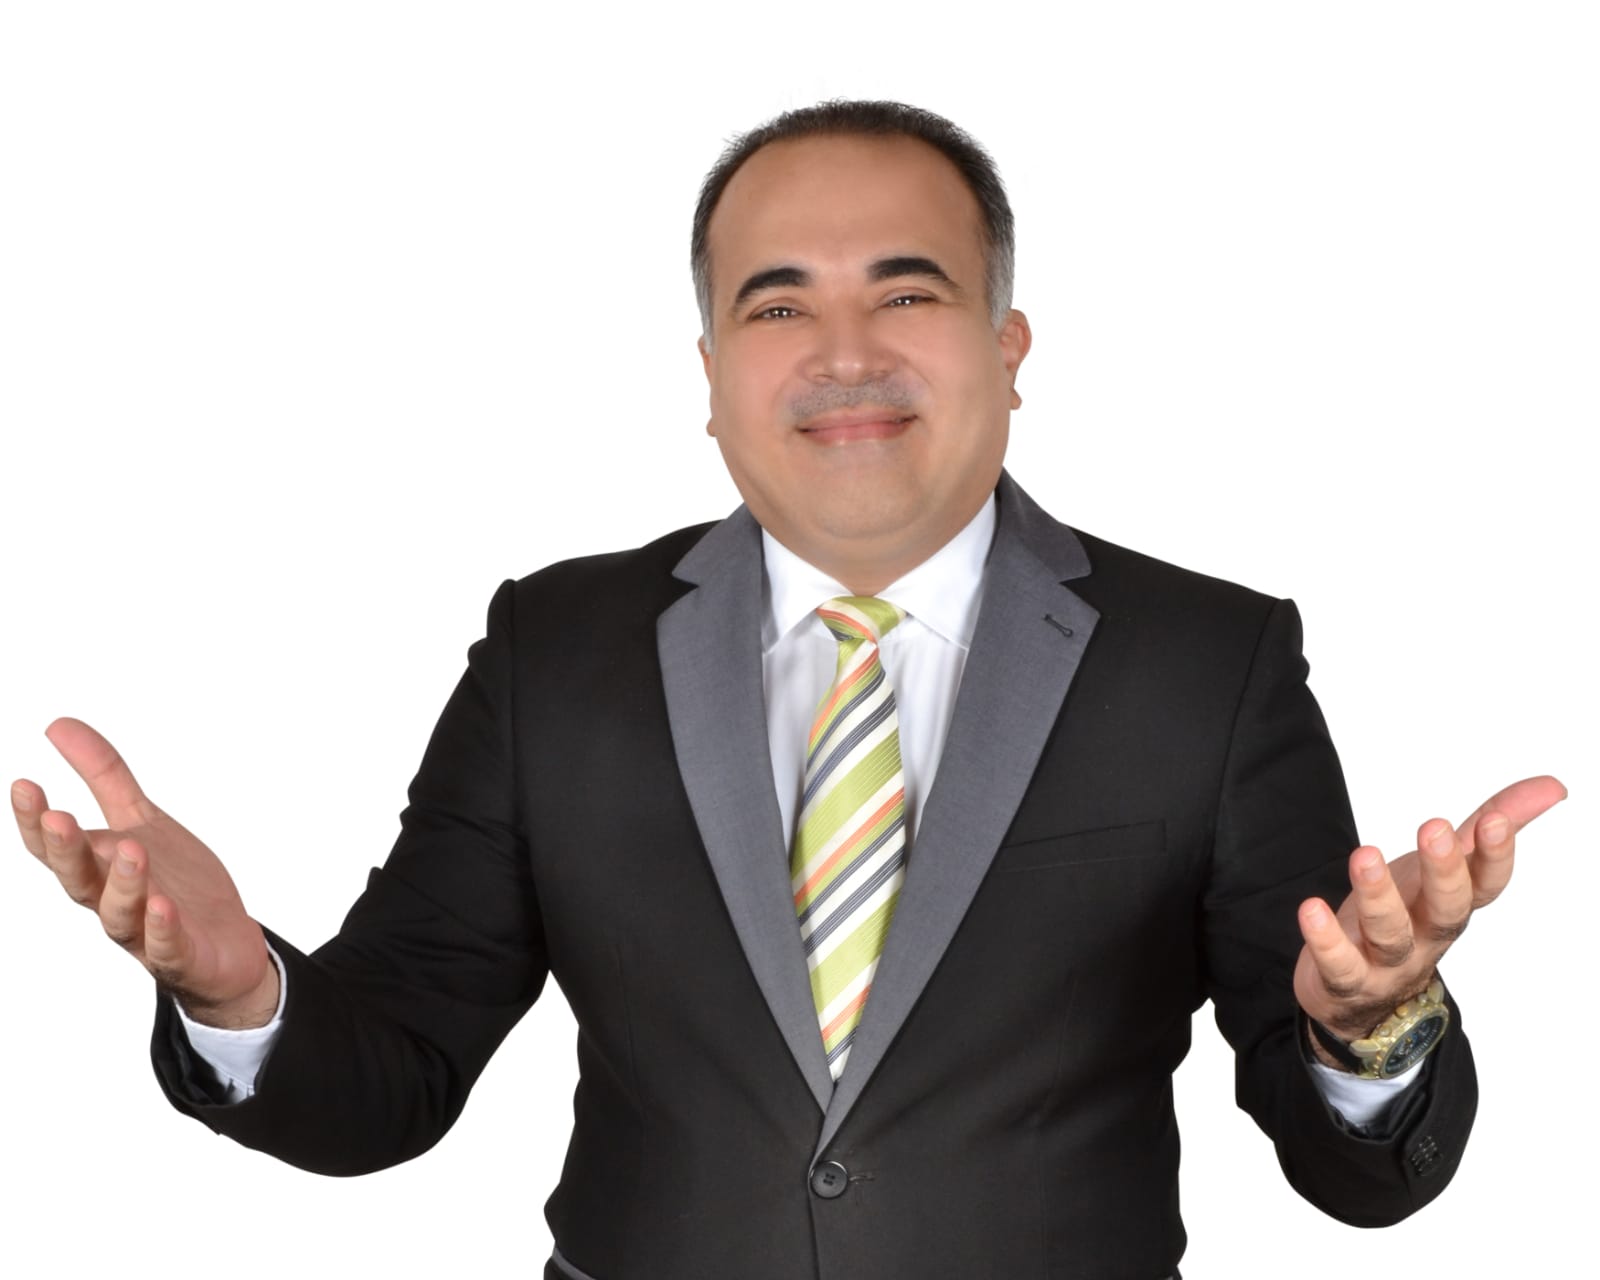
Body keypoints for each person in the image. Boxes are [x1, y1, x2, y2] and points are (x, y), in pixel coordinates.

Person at [11, 100, 1566, 1280]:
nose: (843, 353)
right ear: (709, 373)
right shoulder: (557, 650)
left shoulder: (1207, 661)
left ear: (1008, 345)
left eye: (907, 293)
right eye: (776, 306)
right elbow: (392, 1077)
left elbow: (1354, 1174)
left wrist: (1373, 1029)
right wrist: (240, 998)